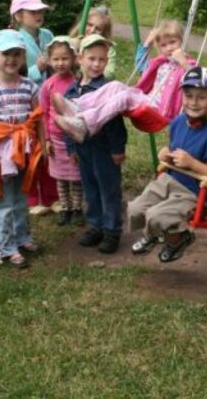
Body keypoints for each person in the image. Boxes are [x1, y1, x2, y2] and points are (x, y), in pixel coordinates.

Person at [128, 66, 207, 263]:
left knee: (157, 215)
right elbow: (175, 152)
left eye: (201, 97)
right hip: (169, 182)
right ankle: (155, 235)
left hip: (195, 193)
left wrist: (193, 163)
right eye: (188, 95)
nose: (193, 102)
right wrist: (166, 155)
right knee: (136, 209)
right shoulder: (178, 122)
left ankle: (178, 240)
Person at [50, 20, 194, 144]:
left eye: (173, 42)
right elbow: (141, 65)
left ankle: (86, 124)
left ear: (183, 40)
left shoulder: (189, 64)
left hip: (161, 109)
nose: (169, 48)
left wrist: (184, 63)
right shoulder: (161, 63)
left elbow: (199, 80)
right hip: (149, 99)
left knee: (123, 97)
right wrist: (147, 43)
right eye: (163, 45)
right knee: (115, 85)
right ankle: (77, 105)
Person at [0, 29, 44, 269]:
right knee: (4, 200)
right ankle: (5, 246)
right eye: (6, 53)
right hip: (1, 153)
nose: (12, 59)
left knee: (22, 195)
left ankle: (22, 237)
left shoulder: (29, 87)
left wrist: (42, 146)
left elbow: (38, 118)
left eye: (17, 53)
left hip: (24, 149)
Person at [62, 34, 128, 254]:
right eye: (92, 58)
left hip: (105, 149)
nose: (97, 64)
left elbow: (115, 121)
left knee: (109, 189)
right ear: (80, 58)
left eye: (102, 59)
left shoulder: (107, 89)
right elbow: (67, 121)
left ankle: (111, 230)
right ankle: (95, 225)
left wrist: (118, 149)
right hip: (84, 148)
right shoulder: (72, 91)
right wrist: (71, 147)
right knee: (91, 188)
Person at [9, 0, 58, 215]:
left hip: (50, 98)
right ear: (18, 16)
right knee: (30, 148)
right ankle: (32, 197)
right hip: (26, 101)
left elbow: (58, 58)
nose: (38, 15)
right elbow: (13, 73)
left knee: (50, 144)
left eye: (40, 11)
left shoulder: (47, 35)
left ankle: (52, 195)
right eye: (32, 11)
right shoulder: (15, 40)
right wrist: (36, 69)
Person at [39, 36, 85, 227]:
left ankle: (77, 209)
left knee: (76, 177)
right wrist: (47, 140)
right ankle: (65, 208)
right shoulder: (48, 84)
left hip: (73, 138)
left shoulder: (78, 82)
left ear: (73, 59)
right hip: (56, 139)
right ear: (49, 61)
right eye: (56, 59)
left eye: (64, 58)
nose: (60, 63)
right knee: (60, 177)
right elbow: (43, 113)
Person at [75, 5, 118, 79]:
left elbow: (109, 73)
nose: (92, 30)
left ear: (104, 32)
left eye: (98, 29)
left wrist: (85, 68)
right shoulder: (73, 42)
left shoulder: (107, 49)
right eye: (89, 25)